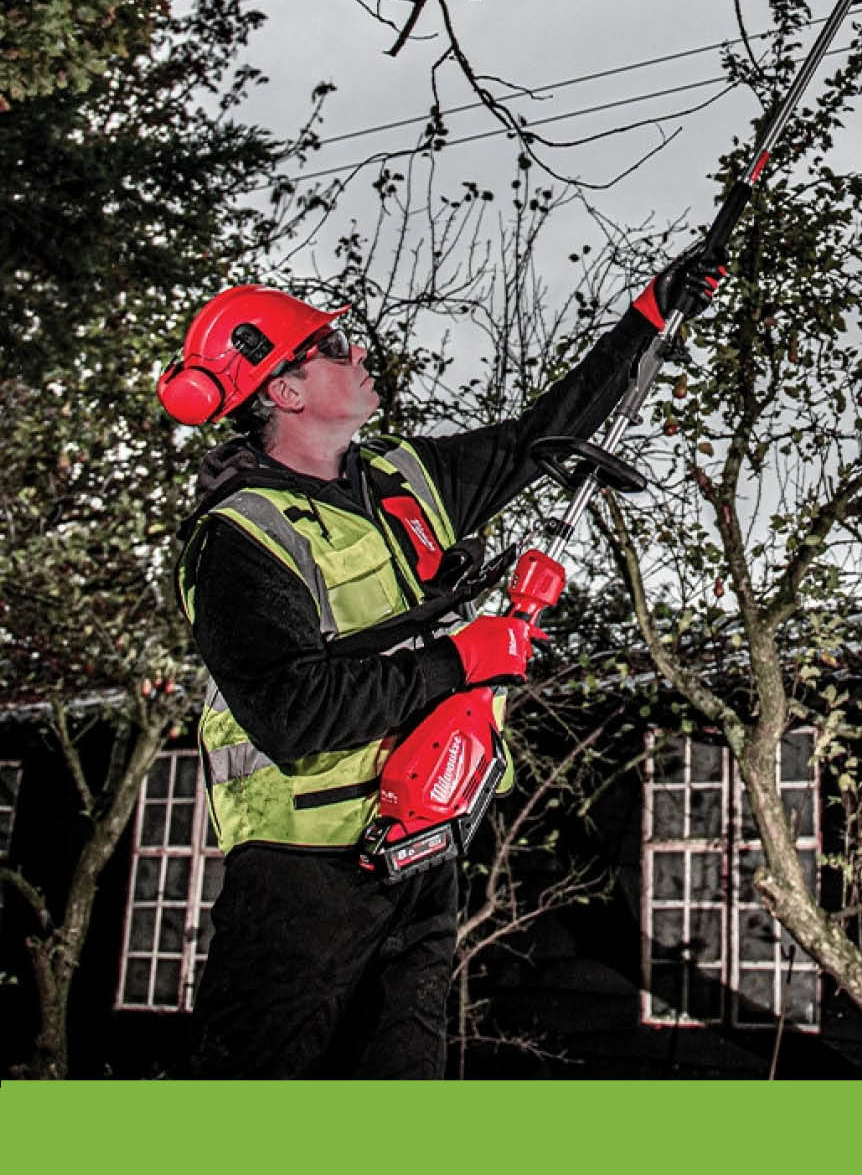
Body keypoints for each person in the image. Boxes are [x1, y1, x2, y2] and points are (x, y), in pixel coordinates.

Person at [158, 250, 721, 1079]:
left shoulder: (403, 478)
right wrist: (461, 657)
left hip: (422, 852)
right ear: (283, 391)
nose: (358, 353)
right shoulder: (239, 539)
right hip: (302, 875)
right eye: (334, 348)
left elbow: (544, 434)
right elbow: (292, 712)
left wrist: (649, 316)